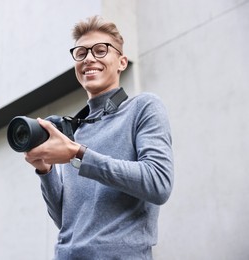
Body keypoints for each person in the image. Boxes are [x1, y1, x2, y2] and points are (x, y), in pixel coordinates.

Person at [24, 15, 174, 259]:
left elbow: (158, 183)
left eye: (101, 50)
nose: (89, 58)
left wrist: (78, 155)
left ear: (122, 62)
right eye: (81, 53)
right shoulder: (75, 131)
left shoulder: (143, 108)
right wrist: (45, 170)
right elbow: (67, 222)